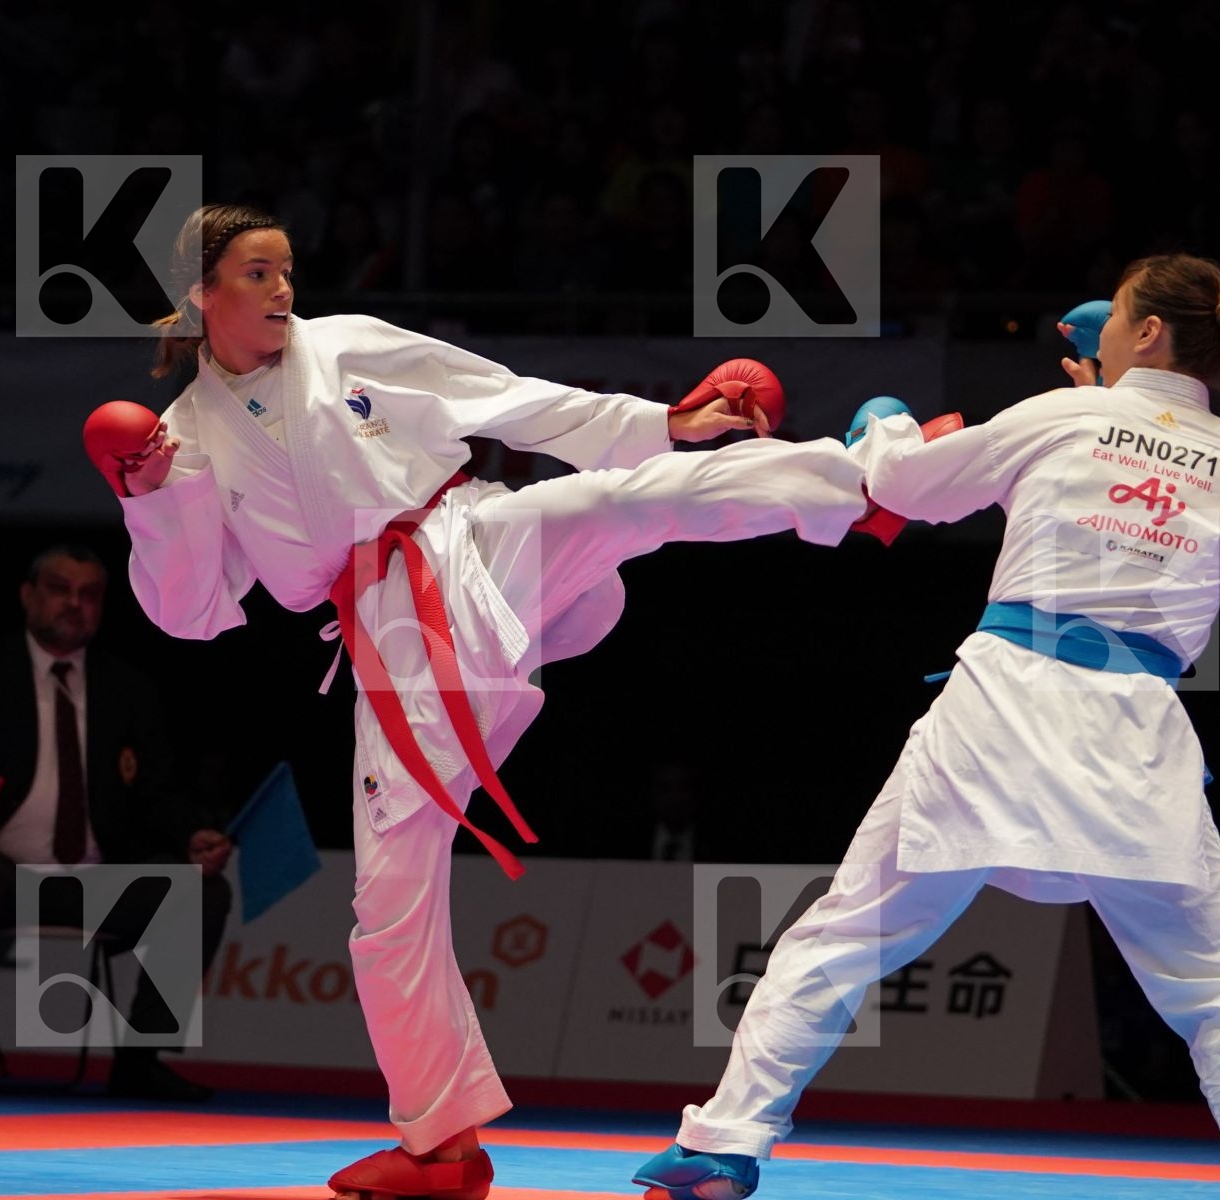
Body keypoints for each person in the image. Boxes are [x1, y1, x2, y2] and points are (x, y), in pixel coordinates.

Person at [99, 205, 867, 1200]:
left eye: (287, 270)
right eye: (257, 274)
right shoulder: (184, 439)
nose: (284, 290)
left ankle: (864, 481)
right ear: (202, 296)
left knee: (608, 501)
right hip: (392, 640)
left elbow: (509, 402)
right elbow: (193, 611)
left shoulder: (350, 348)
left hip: (473, 542)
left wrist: (660, 424)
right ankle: (442, 1146)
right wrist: (148, 498)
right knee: (388, 897)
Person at [635, 254, 1220, 1200]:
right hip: (1136, 735)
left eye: (1124, 317)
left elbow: (912, 487)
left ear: (1143, 334)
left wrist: (884, 422)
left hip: (1004, 711)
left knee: (845, 935)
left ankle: (725, 1141)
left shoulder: (1068, 415)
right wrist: (1114, 393)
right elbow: (1138, 466)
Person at [0, 545, 232, 1101]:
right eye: (60, 589)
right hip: (5, 873)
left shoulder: (129, 688)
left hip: (98, 879)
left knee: (202, 893)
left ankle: (139, 1060)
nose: (74, 604)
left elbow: (158, 792)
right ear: (27, 595)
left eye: (89, 595)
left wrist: (191, 836)